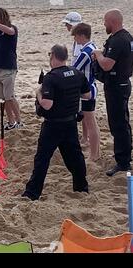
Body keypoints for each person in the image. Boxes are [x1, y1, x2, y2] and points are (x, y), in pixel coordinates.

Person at [22, 45, 91, 201]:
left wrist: (38, 93)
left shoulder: (51, 77)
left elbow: (47, 104)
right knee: (75, 157)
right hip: (70, 122)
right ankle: (81, 187)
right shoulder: (77, 73)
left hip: (53, 125)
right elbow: (87, 95)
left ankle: (32, 193)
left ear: (53, 56)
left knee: (42, 159)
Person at [93, 9, 133, 176]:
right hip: (123, 82)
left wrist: (98, 54)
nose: (104, 24)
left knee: (118, 124)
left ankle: (123, 162)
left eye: (105, 21)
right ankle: (123, 156)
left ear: (112, 21)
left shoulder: (118, 40)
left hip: (117, 85)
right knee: (122, 122)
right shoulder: (128, 38)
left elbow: (107, 65)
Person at [71, 23, 100, 161]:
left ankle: (94, 155)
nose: (75, 40)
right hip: (91, 87)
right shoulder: (93, 48)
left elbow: (74, 70)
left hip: (87, 90)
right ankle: (95, 152)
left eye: (76, 36)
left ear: (82, 35)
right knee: (90, 122)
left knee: (91, 123)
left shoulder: (85, 52)